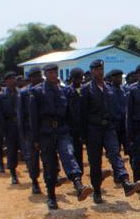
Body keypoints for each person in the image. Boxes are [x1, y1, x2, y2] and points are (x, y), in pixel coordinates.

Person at [29, 63, 93, 209]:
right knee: (50, 165)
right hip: (46, 133)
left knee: (68, 154)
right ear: (45, 74)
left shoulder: (64, 91)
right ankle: (51, 196)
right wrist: (36, 139)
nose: (53, 75)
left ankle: (78, 185)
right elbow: (33, 117)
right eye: (50, 73)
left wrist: (75, 132)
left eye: (55, 72)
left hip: (62, 130)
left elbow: (70, 113)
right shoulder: (37, 91)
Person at [80, 59, 140, 203]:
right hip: (93, 130)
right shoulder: (86, 89)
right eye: (97, 69)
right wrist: (83, 135)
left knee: (115, 155)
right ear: (92, 71)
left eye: (101, 69)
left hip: (108, 128)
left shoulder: (108, 88)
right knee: (95, 162)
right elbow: (82, 114)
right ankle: (97, 191)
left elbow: (113, 108)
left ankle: (125, 182)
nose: (100, 72)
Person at [18, 67, 44, 194]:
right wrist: (23, 133)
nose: (38, 78)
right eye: (35, 76)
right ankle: (34, 181)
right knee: (33, 157)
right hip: (30, 130)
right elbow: (21, 114)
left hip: (44, 128)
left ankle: (53, 177)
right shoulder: (24, 92)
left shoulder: (45, 89)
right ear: (30, 78)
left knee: (49, 155)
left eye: (39, 75)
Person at [0, 72, 21, 184]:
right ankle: (13, 174)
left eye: (14, 78)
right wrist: (3, 131)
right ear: (6, 82)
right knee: (12, 151)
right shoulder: (1, 96)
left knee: (28, 150)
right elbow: (0, 115)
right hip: (10, 126)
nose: (13, 80)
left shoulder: (21, 93)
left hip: (22, 126)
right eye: (10, 79)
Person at [65, 67, 85, 171]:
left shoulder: (85, 90)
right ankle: (76, 171)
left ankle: (79, 170)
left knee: (80, 150)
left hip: (83, 125)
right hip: (71, 126)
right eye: (76, 77)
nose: (79, 80)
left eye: (80, 77)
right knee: (73, 151)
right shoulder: (67, 91)